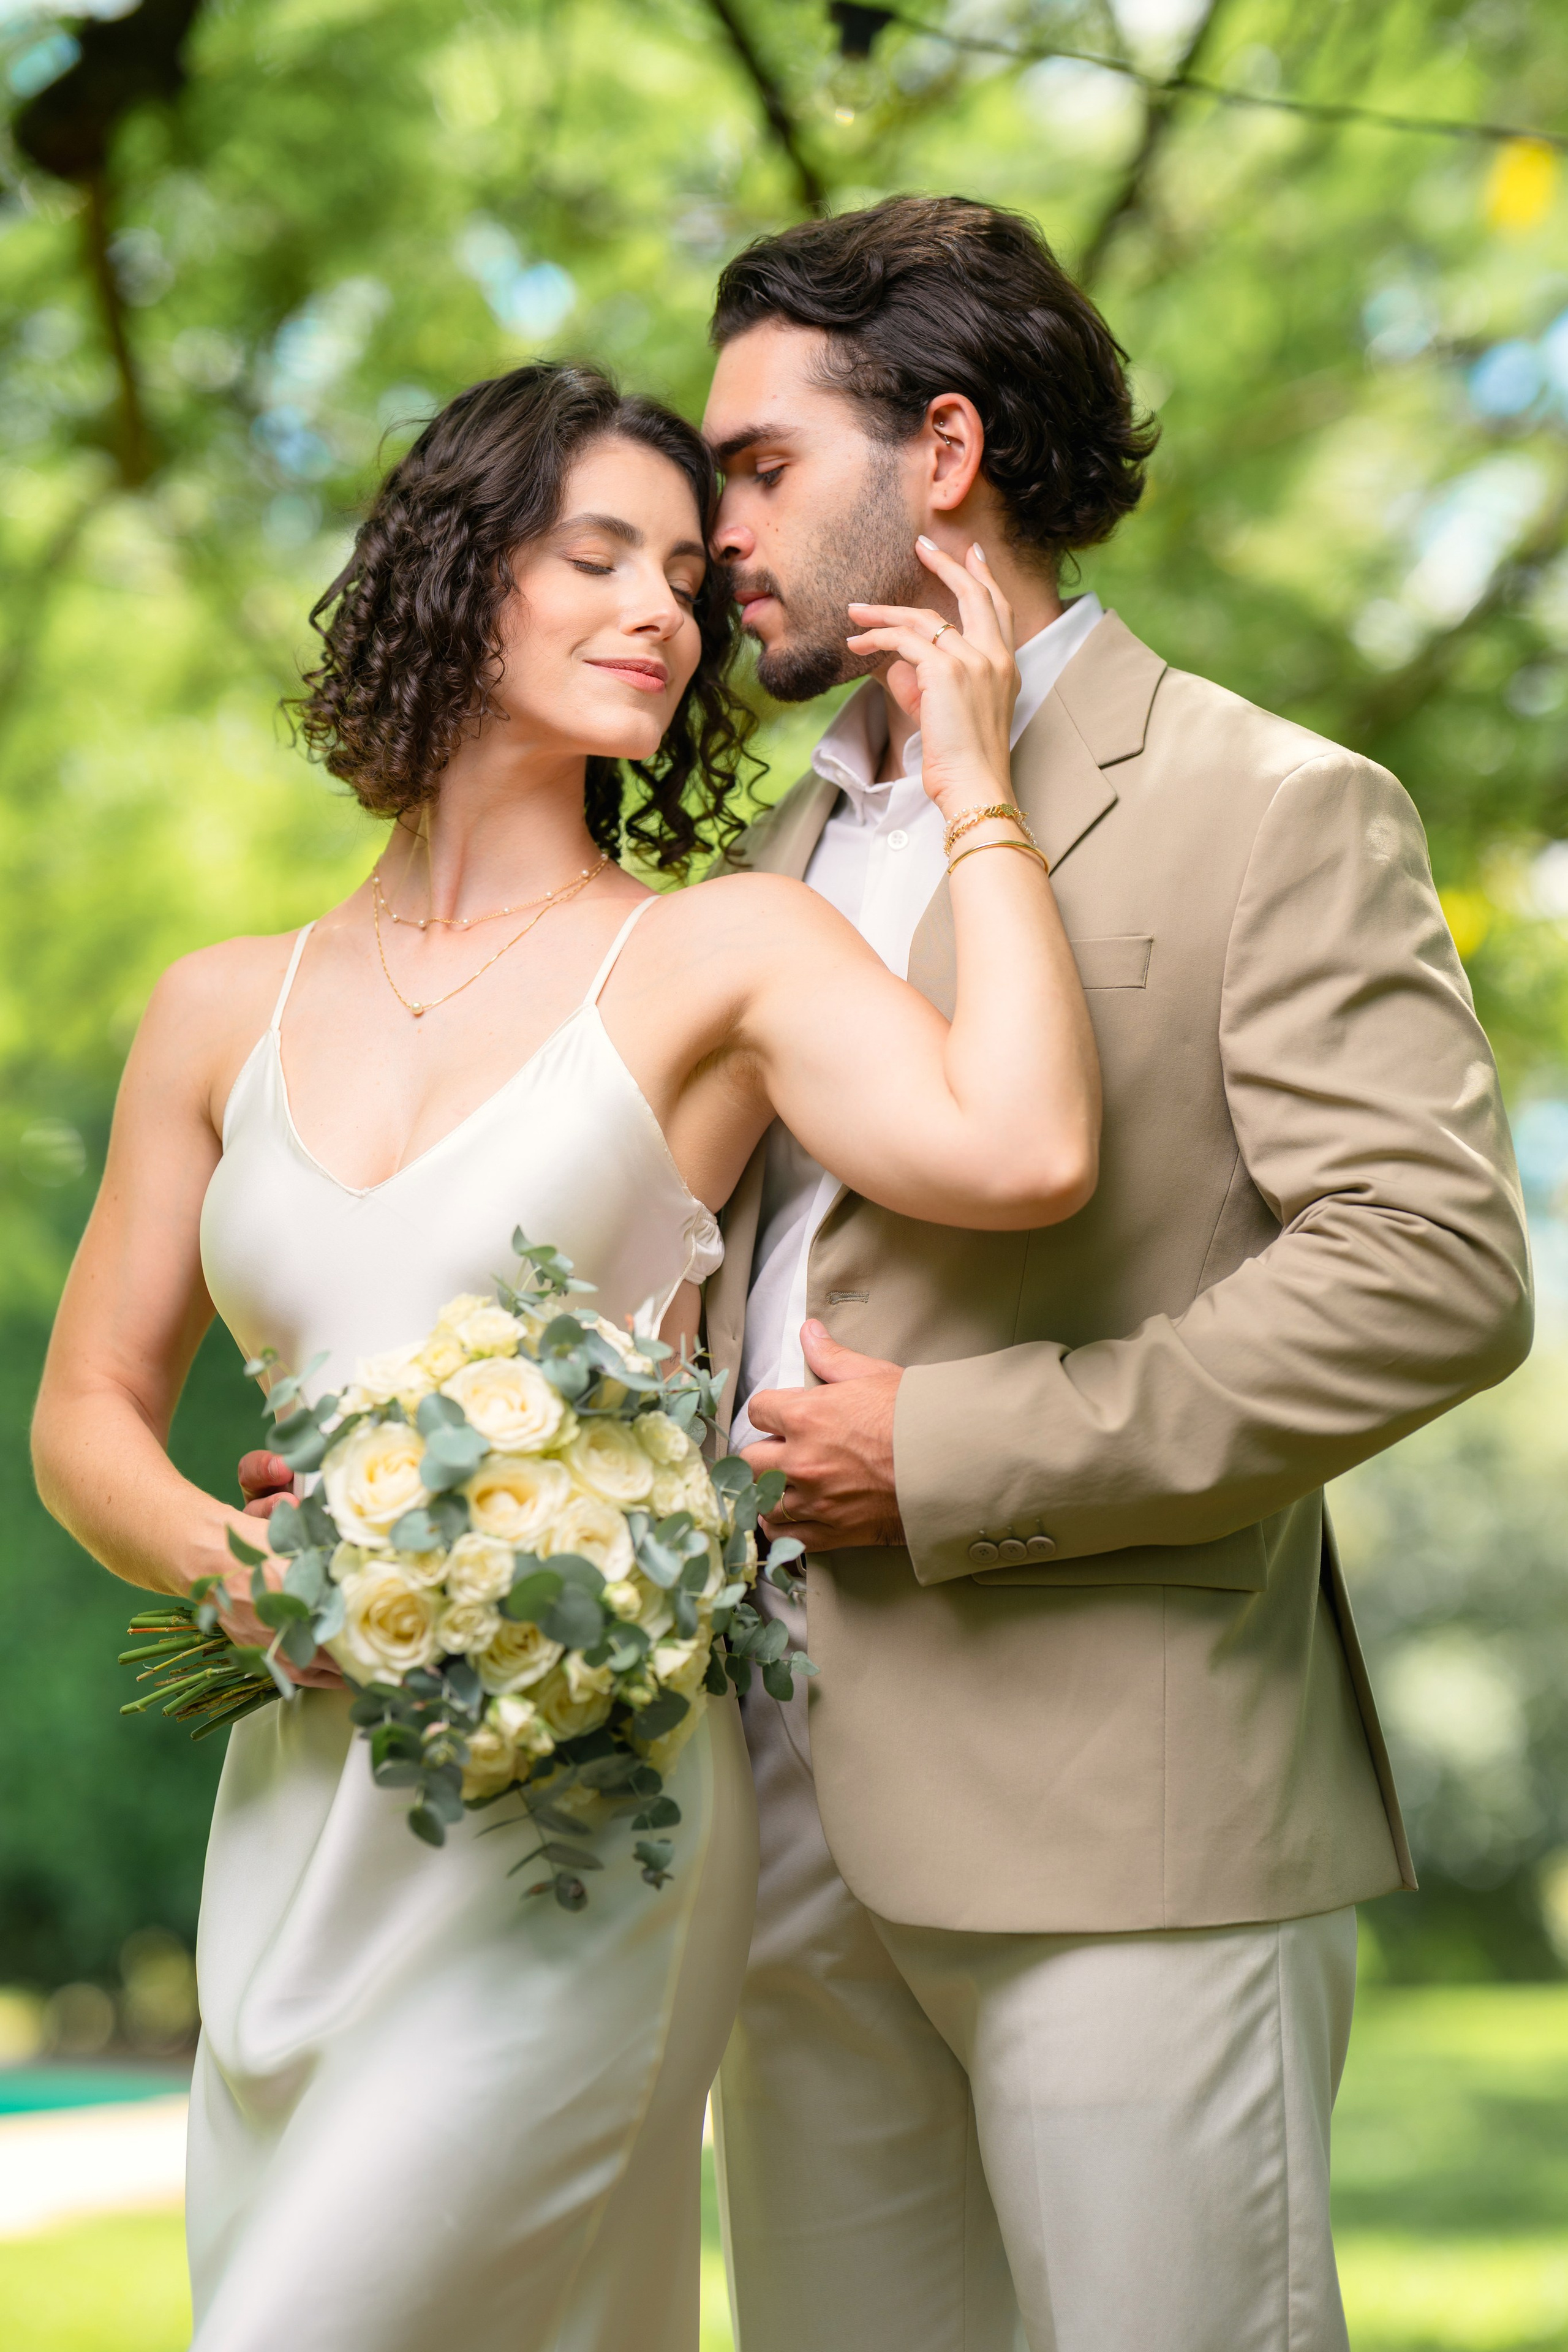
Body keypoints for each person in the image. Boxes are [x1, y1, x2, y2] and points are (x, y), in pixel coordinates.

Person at [30, 359, 1098, 2352]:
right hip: (306, 1812)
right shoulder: (213, 1011)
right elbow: (85, 1414)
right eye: (596, 554)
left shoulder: (720, 955)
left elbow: (1028, 1150)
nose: (664, 612)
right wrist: (235, 1567)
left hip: (580, 1826)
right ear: (455, 580)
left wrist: (977, 787)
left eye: (689, 574)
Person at [696, 198, 1533, 2352]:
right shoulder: (756, 864)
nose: (715, 531)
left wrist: (961, 1448)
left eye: (761, 466)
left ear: (946, 453)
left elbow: (1428, 1270)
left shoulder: (1273, 806)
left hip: (1127, 1818)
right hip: (772, 1818)